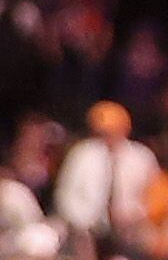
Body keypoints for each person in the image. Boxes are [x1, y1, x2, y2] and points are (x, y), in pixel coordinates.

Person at [53, 100, 153, 243]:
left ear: (125, 130)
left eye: (111, 132)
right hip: (85, 227)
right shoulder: (81, 154)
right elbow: (65, 196)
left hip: (132, 226)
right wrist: (84, 221)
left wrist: (133, 215)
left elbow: (153, 197)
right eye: (101, 133)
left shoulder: (142, 157)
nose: (106, 138)